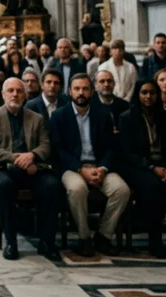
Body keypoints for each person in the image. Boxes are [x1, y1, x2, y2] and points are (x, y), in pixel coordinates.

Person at [49, 74, 130, 257]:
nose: (81, 93)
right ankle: (84, 238)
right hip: (72, 167)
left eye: (85, 89)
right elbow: (58, 151)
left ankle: (103, 236)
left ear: (92, 91)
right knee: (77, 189)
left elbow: (111, 148)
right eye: (77, 89)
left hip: (99, 166)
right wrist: (80, 169)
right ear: (69, 91)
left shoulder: (102, 115)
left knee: (121, 190)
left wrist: (102, 168)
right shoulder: (59, 116)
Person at [0, 77, 62, 260]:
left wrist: (32, 156)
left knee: (52, 186)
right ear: (3, 95)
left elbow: (45, 146)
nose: (15, 94)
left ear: (25, 95)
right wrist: (17, 158)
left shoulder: (36, 118)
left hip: (32, 168)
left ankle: (46, 241)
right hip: (2, 167)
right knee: (4, 186)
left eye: (19, 91)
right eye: (10, 91)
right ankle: (11, 242)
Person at [118, 79, 166, 258]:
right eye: (144, 92)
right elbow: (128, 153)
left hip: (165, 166)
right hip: (139, 167)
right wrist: (152, 167)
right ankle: (155, 241)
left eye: (152, 92)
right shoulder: (127, 118)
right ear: (138, 94)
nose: (148, 96)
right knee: (154, 187)